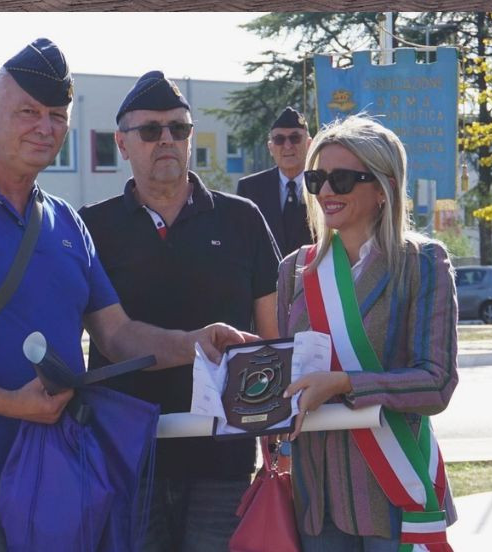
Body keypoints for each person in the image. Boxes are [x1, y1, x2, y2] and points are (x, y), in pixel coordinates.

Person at [0, 40, 253, 547]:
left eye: (57, 115)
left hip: (57, 464)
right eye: (29, 112)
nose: (45, 127)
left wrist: (199, 342)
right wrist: (12, 404)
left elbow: (118, 335)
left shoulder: (66, 223)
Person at [80, 70, 282, 552]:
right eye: (150, 130)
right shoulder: (90, 227)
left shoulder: (242, 220)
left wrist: (278, 435)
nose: (166, 139)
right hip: (125, 458)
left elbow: (272, 337)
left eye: (179, 128)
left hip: (223, 458)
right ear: (123, 144)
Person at [272, 115, 462, 551]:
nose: (325, 192)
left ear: (383, 187)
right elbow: (290, 368)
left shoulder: (422, 262)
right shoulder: (294, 270)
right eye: (316, 177)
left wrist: (344, 384)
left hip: (391, 489)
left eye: (340, 178)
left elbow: (436, 382)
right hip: (316, 495)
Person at [237, 108, 315, 259]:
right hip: (264, 281)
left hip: (312, 277)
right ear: (270, 147)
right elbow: (240, 243)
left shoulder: (324, 185)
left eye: (295, 138)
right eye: (279, 139)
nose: (287, 146)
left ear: (309, 144)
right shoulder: (250, 189)